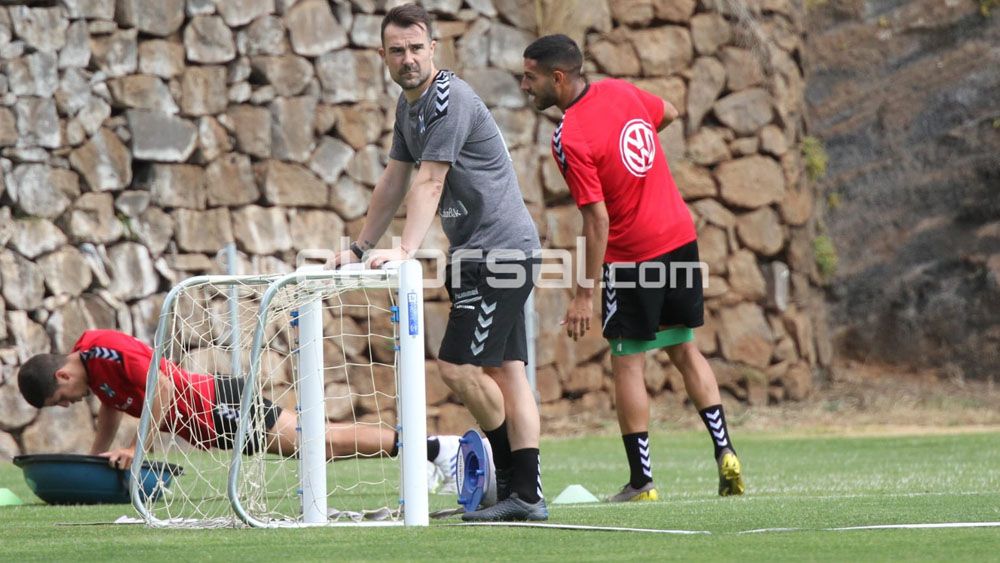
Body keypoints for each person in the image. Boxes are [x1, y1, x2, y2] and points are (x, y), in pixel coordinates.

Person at [327, 4, 545, 521]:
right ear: (383, 55)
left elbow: (430, 180)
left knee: (456, 366)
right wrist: (359, 248)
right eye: (397, 51)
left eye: (416, 48)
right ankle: (526, 494)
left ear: (434, 48)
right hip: (476, 254)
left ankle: (511, 483)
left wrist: (403, 250)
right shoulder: (409, 108)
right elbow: (394, 181)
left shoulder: (446, 99)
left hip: (501, 253)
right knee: (508, 371)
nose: (408, 59)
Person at [521, 35, 745, 501]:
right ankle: (726, 451)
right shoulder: (621, 92)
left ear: (557, 78)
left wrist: (585, 293)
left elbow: (596, 218)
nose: (525, 86)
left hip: (632, 257)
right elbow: (670, 113)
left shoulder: (569, 136)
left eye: (531, 77)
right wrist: (631, 162)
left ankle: (642, 482)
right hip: (680, 237)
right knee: (684, 349)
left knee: (628, 363)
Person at [17, 329, 459, 493]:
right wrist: (96, 458)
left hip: (218, 405)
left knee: (319, 443)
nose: (70, 404)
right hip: (214, 420)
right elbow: (113, 408)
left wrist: (136, 448)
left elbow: (164, 390)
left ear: (61, 378)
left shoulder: (104, 351)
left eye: (62, 400)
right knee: (318, 442)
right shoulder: (94, 372)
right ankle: (427, 449)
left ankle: (435, 447)